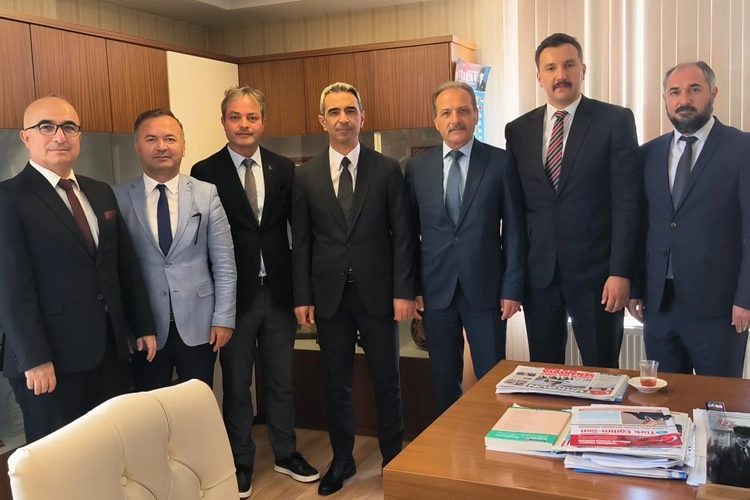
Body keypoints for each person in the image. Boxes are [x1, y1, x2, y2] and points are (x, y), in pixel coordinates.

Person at [0, 96, 156, 443]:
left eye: (69, 127)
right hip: (51, 361)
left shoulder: (99, 192)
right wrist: (35, 359)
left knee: (110, 445)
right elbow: (10, 288)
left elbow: (123, 265)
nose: (60, 136)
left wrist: (142, 324)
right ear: (26, 137)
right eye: (46, 127)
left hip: (110, 352)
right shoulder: (8, 198)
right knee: (60, 456)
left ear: (79, 136)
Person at [191, 87, 319, 498]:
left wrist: (302, 293)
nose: (243, 125)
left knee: (282, 380)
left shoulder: (284, 168)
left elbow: (299, 234)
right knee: (236, 384)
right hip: (234, 298)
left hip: (279, 294)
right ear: (223, 121)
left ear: (263, 122)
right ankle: (240, 459)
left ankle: (285, 452)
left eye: (251, 117)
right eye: (235, 117)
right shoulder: (204, 171)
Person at [291, 82, 415, 496]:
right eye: (334, 111)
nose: (343, 119)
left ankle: (393, 458)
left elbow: (402, 236)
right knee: (336, 382)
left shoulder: (387, 169)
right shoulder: (305, 175)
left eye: (350, 110)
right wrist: (303, 296)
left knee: (387, 379)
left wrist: (403, 291)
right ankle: (342, 459)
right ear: (322, 120)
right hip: (329, 298)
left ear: (363, 117)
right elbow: (301, 242)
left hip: (378, 294)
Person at [505, 33, 641, 368]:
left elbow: (628, 204)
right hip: (540, 277)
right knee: (544, 373)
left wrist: (621, 272)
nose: (560, 75)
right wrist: (515, 280)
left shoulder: (615, 121)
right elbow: (516, 212)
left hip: (598, 277)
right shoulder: (518, 130)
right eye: (551, 68)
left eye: (568, 65)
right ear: (539, 77)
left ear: (583, 70)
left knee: (602, 372)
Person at [405, 81, 524, 414]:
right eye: (446, 113)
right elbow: (408, 233)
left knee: (491, 378)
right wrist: (413, 287)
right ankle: (452, 439)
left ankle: (491, 435)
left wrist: (512, 287)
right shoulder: (417, 168)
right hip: (435, 291)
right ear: (435, 120)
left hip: (487, 290)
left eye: (462, 111)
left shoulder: (500, 163)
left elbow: (514, 230)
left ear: (475, 115)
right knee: (444, 379)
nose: (454, 119)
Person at [627, 61, 750, 377]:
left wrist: (746, 298)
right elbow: (640, 228)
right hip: (659, 307)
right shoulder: (648, 154)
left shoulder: (742, 149)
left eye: (694, 90)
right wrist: (636, 287)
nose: (684, 100)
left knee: (718, 402)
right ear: (665, 99)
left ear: (713, 93)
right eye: (674, 92)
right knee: (665, 400)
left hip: (719, 310)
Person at [113, 109, 236, 391]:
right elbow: (115, 271)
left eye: (170, 139)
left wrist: (224, 318)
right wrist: (126, 328)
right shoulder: (118, 197)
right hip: (145, 329)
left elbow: (225, 263)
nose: (162, 147)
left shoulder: (206, 194)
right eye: (151, 139)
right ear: (137, 146)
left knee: (197, 403)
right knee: (150, 407)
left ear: (183, 145)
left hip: (199, 324)